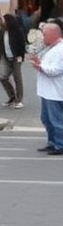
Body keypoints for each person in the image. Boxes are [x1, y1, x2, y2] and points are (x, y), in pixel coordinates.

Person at [30, 22, 63, 155]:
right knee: (47, 119)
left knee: (56, 120)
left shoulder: (60, 50)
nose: (43, 37)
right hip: (47, 91)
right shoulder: (52, 48)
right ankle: (53, 141)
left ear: (52, 34)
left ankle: (60, 144)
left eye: (44, 34)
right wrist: (40, 63)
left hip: (55, 91)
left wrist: (40, 67)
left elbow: (57, 70)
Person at [0, 14, 26, 109]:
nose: (2, 21)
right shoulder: (1, 32)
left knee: (17, 78)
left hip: (16, 57)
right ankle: (12, 96)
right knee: (2, 77)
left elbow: (22, 44)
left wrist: (21, 56)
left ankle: (19, 99)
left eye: (3, 19)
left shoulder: (17, 31)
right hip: (5, 57)